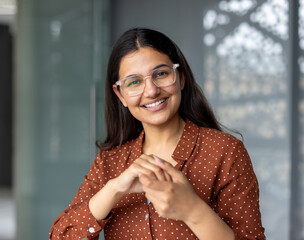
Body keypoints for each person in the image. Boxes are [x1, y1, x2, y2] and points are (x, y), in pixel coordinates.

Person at [49, 28, 266, 240]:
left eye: (161, 74)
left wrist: (193, 211)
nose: (151, 91)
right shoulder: (109, 162)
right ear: (121, 95)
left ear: (180, 78)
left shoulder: (225, 152)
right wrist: (114, 189)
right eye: (134, 82)